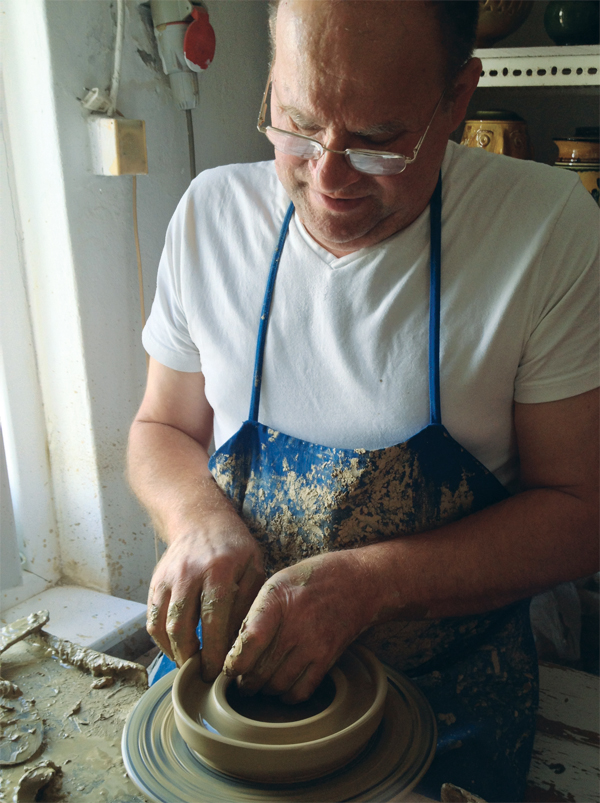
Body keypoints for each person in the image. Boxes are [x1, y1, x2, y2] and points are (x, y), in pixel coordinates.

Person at [127, 1, 599, 799]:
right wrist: (197, 519)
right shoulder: (211, 215)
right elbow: (162, 426)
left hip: (442, 691)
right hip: (227, 680)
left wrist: (368, 585)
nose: (330, 174)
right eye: (297, 123)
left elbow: (584, 509)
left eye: (379, 140)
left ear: (457, 100)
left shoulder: (544, 229)